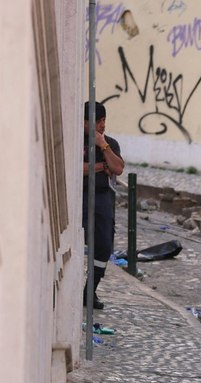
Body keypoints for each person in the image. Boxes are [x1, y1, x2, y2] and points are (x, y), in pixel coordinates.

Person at [81, 101, 125, 311]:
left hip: (102, 197)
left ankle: (90, 290)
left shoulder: (110, 143)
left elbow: (117, 167)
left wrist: (103, 146)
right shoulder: (76, 140)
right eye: (96, 122)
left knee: (104, 246)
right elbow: (77, 168)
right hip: (80, 195)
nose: (101, 125)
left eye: (102, 121)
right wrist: (101, 166)